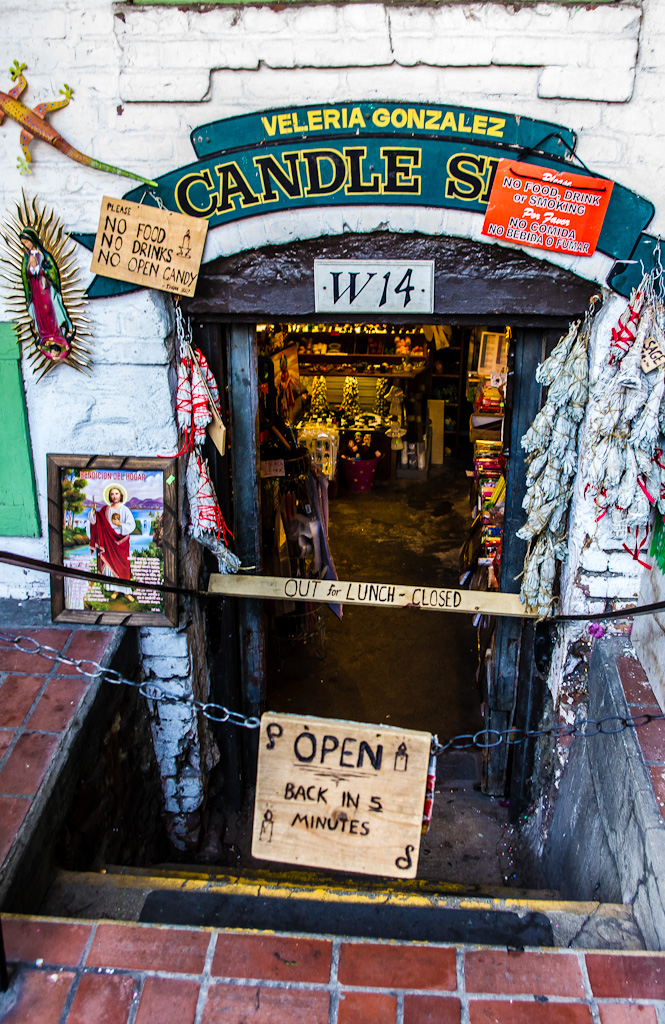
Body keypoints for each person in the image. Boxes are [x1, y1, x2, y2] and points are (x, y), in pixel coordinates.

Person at [19, 227, 75, 361]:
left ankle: (57, 334)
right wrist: (31, 269)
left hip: (46, 290)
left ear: (32, 240)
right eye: (23, 243)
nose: (25, 245)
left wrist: (39, 268)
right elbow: (25, 275)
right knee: (39, 314)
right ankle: (44, 335)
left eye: (27, 242)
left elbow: (52, 271)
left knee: (50, 311)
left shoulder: (44, 255)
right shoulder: (26, 258)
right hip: (36, 290)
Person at [87, 484, 136, 601]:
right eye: (112, 494)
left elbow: (132, 525)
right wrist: (93, 512)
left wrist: (120, 525)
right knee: (112, 565)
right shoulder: (105, 510)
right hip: (108, 542)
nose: (114, 496)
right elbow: (96, 521)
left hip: (121, 542)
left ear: (121, 495)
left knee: (123, 566)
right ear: (110, 496)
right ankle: (115, 590)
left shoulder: (125, 510)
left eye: (116, 494)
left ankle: (126, 592)